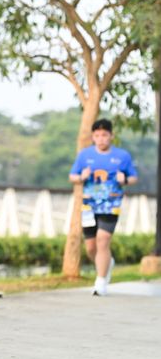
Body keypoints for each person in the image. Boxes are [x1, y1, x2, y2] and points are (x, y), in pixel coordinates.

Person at [69, 119, 138, 296]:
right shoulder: (84, 155)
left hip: (110, 205)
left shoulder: (122, 156)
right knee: (91, 248)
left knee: (103, 240)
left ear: (111, 136)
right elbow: (72, 176)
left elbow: (133, 177)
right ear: (93, 137)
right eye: (97, 135)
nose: (101, 139)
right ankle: (108, 264)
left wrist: (125, 180)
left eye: (104, 135)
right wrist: (81, 177)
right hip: (89, 206)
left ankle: (100, 282)